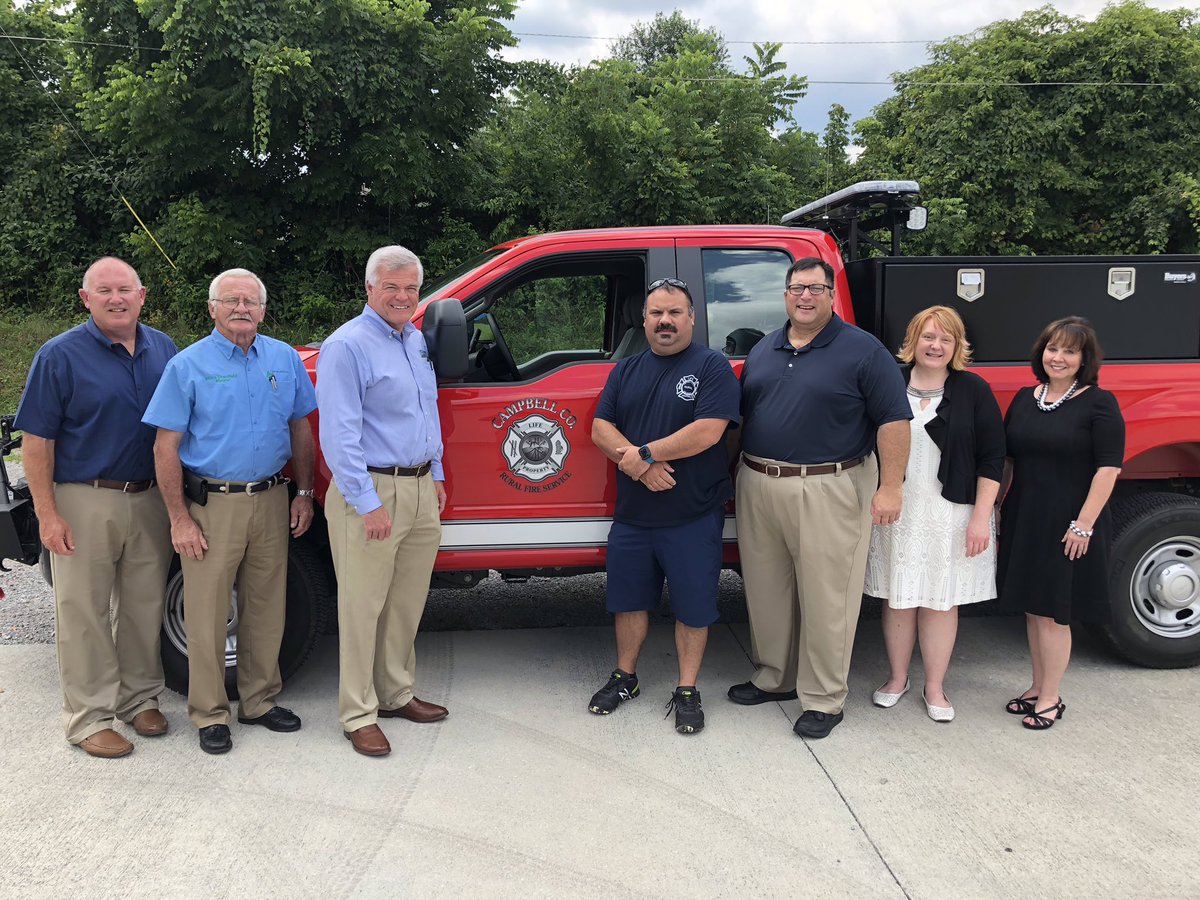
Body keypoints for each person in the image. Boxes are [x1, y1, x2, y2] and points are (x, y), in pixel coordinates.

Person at [729, 257, 911, 739]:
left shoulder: (863, 351)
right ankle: (775, 678)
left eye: (815, 287)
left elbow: (894, 420)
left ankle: (824, 698)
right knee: (767, 591)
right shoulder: (766, 347)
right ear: (785, 295)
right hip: (758, 480)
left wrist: (891, 486)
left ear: (831, 294)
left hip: (830, 484)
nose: (804, 296)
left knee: (828, 596)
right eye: (796, 288)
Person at [143, 268, 316, 755]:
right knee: (207, 613)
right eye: (232, 300)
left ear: (263, 309)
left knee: (266, 606)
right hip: (211, 506)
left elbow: (301, 427)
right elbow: (165, 447)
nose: (242, 308)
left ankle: (259, 701)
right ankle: (209, 712)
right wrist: (179, 518)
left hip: (272, 499)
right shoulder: (187, 365)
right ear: (212, 307)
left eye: (251, 301)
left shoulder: (283, 358)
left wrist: (304, 492)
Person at [15, 257, 178, 758]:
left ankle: (139, 698)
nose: (116, 298)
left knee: (143, 604)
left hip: (148, 497)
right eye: (103, 290)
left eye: (125, 289)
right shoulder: (58, 355)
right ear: (86, 298)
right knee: (83, 610)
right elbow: (36, 441)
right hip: (84, 496)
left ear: (142, 294)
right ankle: (88, 718)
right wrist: (48, 513)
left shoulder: (165, 349)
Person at [589, 277, 740, 735]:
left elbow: (709, 430)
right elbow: (600, 427)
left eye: (675, 312)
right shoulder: (627, 369)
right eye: (656, 313)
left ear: (692, 317)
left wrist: (648, 453)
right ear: (645, 319)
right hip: (634, 515)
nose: (665, 321)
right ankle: (625, 677)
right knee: (628, 601)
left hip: (692, 513)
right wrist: (636, 467)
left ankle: (687, 687)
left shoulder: (712, 367)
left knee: (693, 606)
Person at [317, 245, 448, 758]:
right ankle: (357, 713)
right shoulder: (347, 346)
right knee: (361, 606)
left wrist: (435, 472)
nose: (402, 296)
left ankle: (396, 693)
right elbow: (339, 435)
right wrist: (366, 502)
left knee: (405, 603)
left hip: (419, 487)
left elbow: (428, 411)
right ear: (369, 289)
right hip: (371, 490)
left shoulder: (415, 339)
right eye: (391, 287)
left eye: (411, 288)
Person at [864, 306, 1005, 722]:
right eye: (928, 337)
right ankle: (897, 678)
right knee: (898, 596)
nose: (936, 346)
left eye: (946, 339)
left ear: (957, 346)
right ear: (913, 341)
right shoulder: (889, 385)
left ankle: (935, 687)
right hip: (897, 509)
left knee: (941, 601)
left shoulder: (974, 391)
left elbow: (992, 459)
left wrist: (981, 517)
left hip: (952, 513)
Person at [997, 316, 1124, 730]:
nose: (1059, 357)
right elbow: (1009, 461)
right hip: (1025, 516)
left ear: (1084, 359)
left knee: (1054, 613)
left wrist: (1083, 525)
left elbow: (1108, 470)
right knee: (1034, 610)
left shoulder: (1099, 403)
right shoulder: (1023, 398)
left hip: (1069, 523)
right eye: (1053, 348)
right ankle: (1036, 685)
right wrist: (997, 506)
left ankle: (1051, 696)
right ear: (1042, 352)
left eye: (1070, 351)